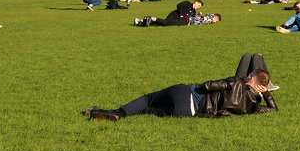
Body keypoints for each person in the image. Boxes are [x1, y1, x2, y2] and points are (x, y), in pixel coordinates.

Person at [84, 53, 277, 120]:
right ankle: (108, 112)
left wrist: (234, 81)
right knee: (150, 111)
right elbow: (273, 109)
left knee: (148, 99)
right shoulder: (250, 107)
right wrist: (266, 94)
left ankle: (118, 113)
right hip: (188, 113)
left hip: (185, 95)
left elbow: (207, 86)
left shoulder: (236, 82)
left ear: (250, 78)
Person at [135, 0, 203, 27]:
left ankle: (143, 21)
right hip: (175, 15)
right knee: (165, 23)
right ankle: (149, 19)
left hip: (180, 19)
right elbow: (179, 5)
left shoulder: (194, 11)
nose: (198, 7)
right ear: (196, 2)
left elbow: (191, 18)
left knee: (163, 24)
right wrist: (181, 14)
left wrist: (198, 15)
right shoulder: (188, 3)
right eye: (199, 5)